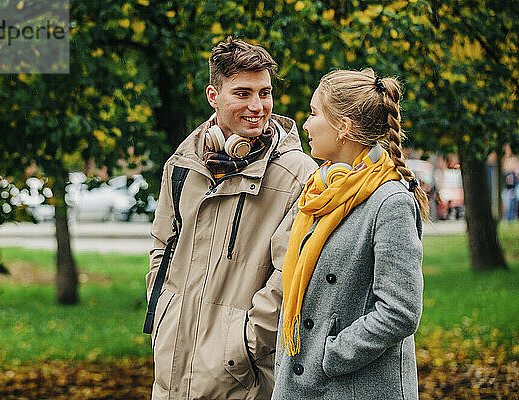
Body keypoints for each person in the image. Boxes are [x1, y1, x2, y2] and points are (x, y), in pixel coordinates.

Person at [145, 37, 317, 399]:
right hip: (171, 365)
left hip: (240, 376)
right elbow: (161, 247)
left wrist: (246, 342)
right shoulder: (181, 166)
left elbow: (292, 272)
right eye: (243, 93)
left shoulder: (297, 173)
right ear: (213, 96)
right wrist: (163, 312)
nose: (258, 106)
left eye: (265, 93)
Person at [272, 69, 428, 400]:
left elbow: (399, 312)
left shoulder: (391, 201)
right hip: (303, 383)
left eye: (314, 113)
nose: (306, 125)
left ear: (342, 127)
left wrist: (329, 355)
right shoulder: (321, 191)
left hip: (353, 387)